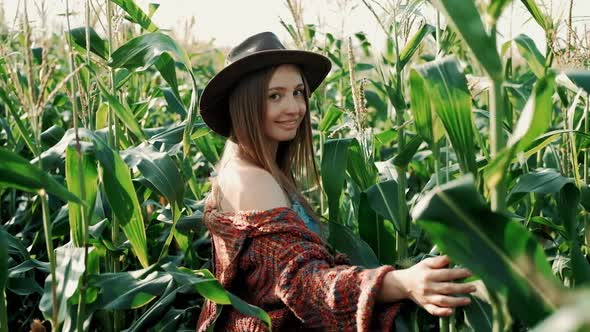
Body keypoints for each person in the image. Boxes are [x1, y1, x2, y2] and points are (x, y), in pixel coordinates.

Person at [195, 32, 476, 331]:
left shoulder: (252, 163)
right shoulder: (251, 180)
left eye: (298, 92)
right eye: (274, 96)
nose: (293, 108)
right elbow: (302, 284)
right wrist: (400, 282)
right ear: (244, 104)